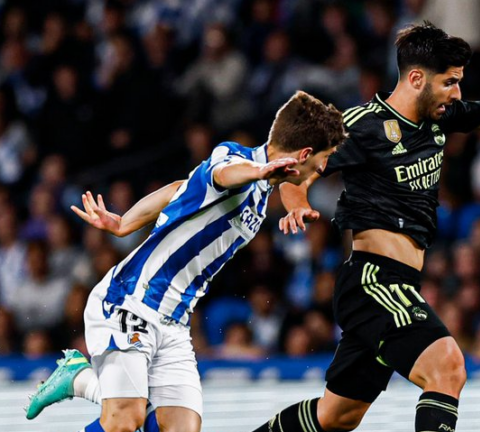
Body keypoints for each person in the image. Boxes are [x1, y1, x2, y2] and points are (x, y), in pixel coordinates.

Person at [255, 22, 480, 432]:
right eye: (450, 83)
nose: (457, 93)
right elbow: (296, 171)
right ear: (415, 78)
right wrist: (297, 205)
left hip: (400, 284)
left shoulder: (440, 117)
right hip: (373, 281)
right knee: (447, 367)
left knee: (337, 417)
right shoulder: (363, 125)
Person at [24, 90, 347, 432]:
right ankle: (80, 380)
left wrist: (125, 223)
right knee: (123, 422)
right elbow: (225, 174)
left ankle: (79, 379)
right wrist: (259, 172)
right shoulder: (233, 157)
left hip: (174, 322)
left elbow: (180, 187)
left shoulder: (263, 191)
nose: (323, 169)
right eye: (322, 160)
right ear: (306, 154)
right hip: (131, 300)